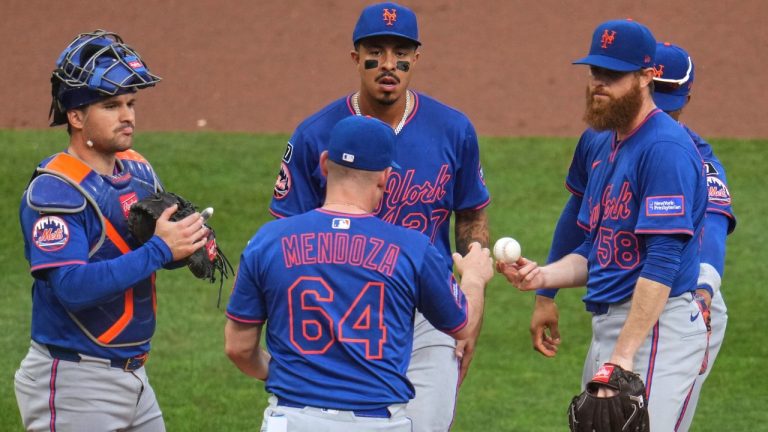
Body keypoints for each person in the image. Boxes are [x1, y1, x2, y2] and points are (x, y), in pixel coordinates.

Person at [268, 3, 490, 429]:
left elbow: (472, 212)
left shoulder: (453, 129)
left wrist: (467, 300)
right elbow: (285, 235)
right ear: (356, 57)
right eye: (376, 51)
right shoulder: (315, 133)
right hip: (345, 309)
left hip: (430, 311)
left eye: (401, 52)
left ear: (416, 57)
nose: (389, 64)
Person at [498, 19, 709, 430]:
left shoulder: (664, 149)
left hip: (655, 331)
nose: (600, 83)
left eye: (614, 75)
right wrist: (543, 277)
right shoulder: (600, 139)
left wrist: (623, 357)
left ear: (648, 77)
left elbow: (662, 261)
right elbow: (601, 251)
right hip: (611, 329)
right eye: (596, 72)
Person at [227, 115, 493, 431]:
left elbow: (239, 348)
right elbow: (461, 326)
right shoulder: (412, 248)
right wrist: (474, 278)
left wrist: (281, 371)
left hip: (291, 420)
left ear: (325, 164)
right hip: (377, 424)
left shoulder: (267, 241)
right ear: (384, 177)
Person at [14, 30, 209, 431]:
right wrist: (159, 250)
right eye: (111, 105)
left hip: (135, 377)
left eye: (131, 103)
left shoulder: (138, 172)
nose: (128, 115)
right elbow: (71, 287)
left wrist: (184, 243)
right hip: (75, 384)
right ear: (75, 115)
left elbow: (138, 251)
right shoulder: (55, 191)